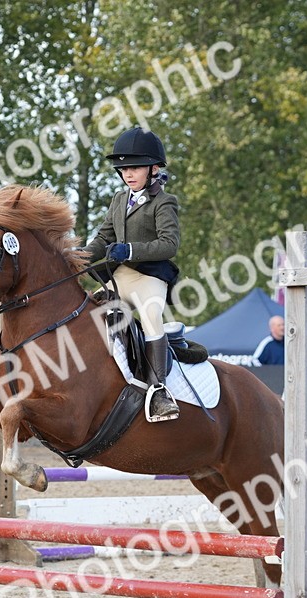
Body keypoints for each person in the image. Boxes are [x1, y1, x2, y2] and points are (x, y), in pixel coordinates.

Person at [86, 126, 181, 422]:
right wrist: (76, 258)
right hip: (121, 277)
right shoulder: (118, 199)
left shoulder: (164, 202)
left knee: (152, 316)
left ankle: (159, 392)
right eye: (124, 168)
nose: (128, 173)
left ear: (154, 169)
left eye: (135, 167)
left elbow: (170, 244)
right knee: (86, 313)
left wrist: (129, 250)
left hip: (149, 278)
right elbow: (102, 238)